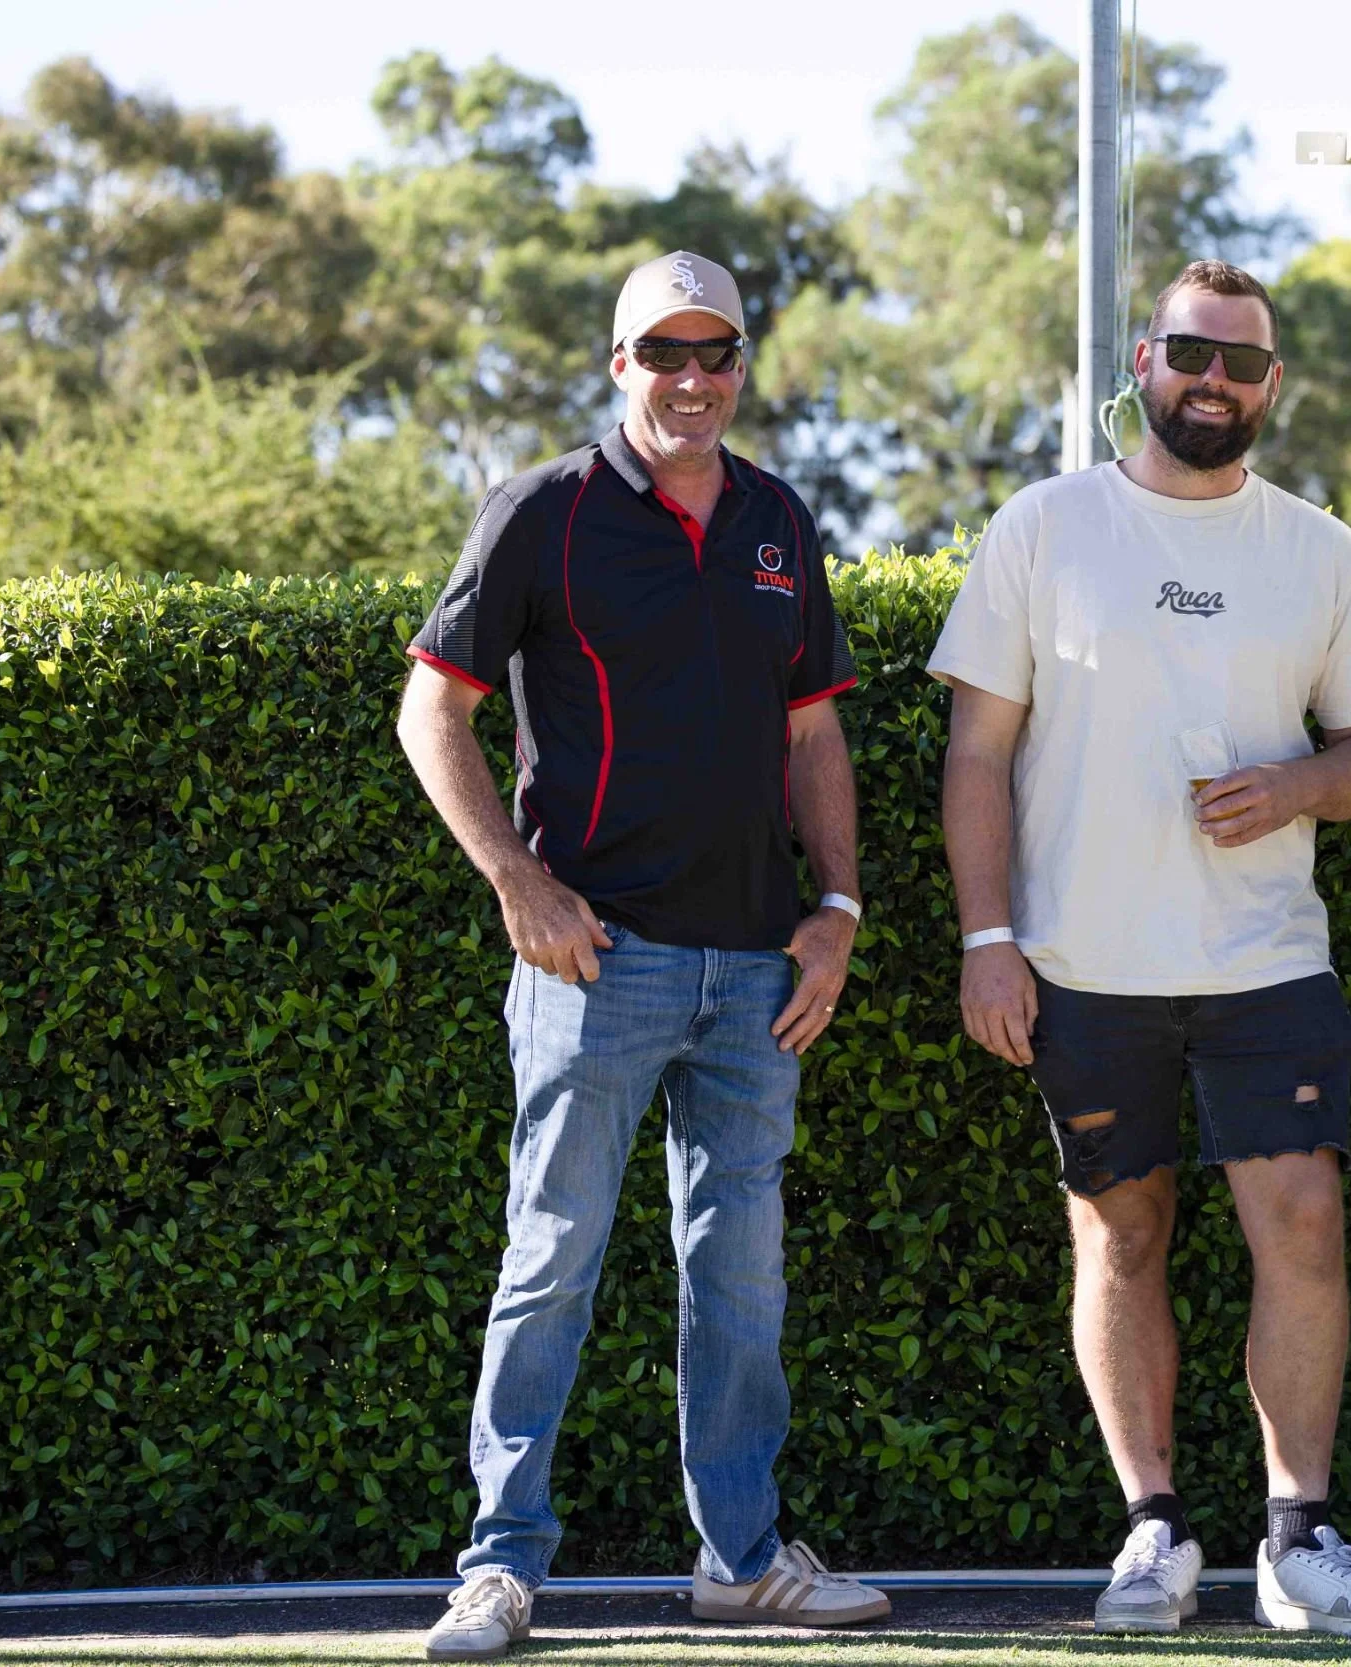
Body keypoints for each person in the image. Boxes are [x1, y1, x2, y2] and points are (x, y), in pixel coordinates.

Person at [398, 250, 887, 1662]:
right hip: (592, 964)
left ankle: (741, 1561)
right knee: (549, 1260)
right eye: (660, 353)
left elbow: (813, 733)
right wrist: (517, 881)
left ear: (742, 364)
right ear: (618, 367)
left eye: (714, 351)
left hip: (755, 977)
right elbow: (434, 713)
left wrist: (838, 909)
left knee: (740, 1278)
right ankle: (496, 1567)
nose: (691, 378)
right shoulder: (543, 513)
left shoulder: (781, 520)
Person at [928, 260, 1351, 1637]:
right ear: (1144, 357)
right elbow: (977, 752)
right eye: (1193, 354)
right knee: (1120, 1235)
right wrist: (988, 939)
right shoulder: (1042, 527)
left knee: (1305, 1225)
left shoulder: (1316, 549)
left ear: (1272, 388)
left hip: (1268, 964)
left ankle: (1298, 1538)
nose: (1215, 382)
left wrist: (1298, 786)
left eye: (1243, 365)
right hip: (1084, 967)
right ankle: (1152, 1531)